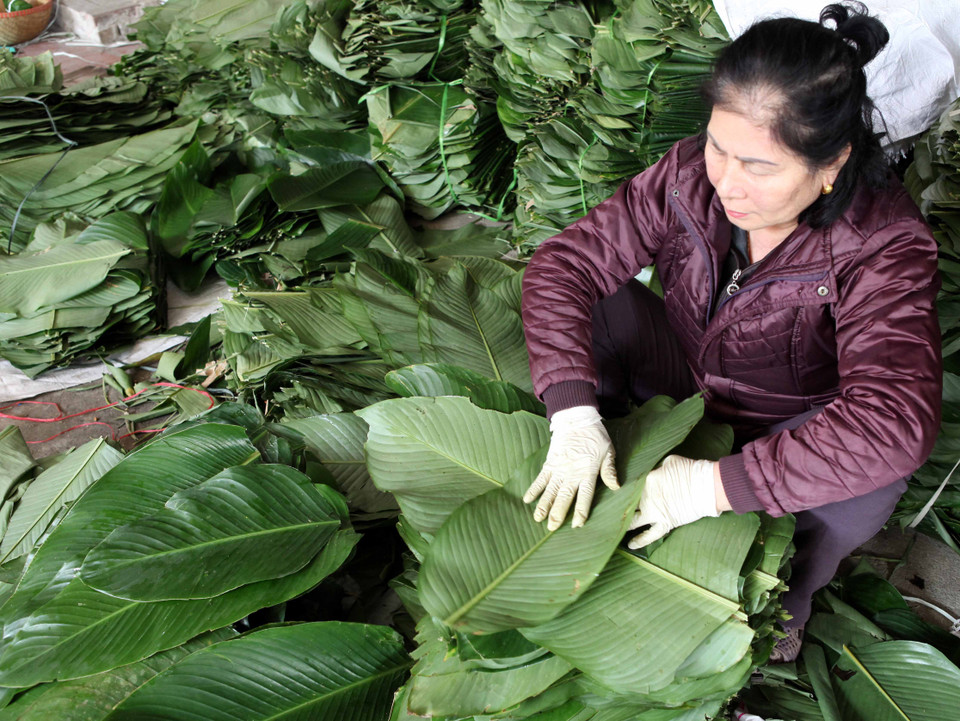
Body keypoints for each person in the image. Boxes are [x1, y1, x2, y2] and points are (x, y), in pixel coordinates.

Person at [520, 2, 942, 664]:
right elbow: (565, 263)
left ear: (831, 163)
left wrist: (709, 487)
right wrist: (572, 410)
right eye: (720, 146)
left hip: (793, 419)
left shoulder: (885, 245)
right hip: (693, 364)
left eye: (761, 166)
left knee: (871, 479)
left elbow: (892, 421)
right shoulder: (691, 173)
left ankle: (786, 604)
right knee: (599, 304)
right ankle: (593, 444)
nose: (727, 183)